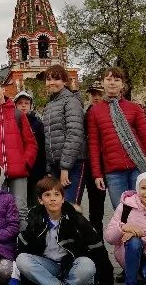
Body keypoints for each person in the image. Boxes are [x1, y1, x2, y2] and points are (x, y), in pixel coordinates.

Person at [87, 67, 146, 210]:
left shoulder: (134, 108)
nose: (112, 83)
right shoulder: (95, 111)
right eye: (108, 79)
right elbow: (94, 144)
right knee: (122, 213)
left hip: (138, 168)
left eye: (117, 80)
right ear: (103, 83)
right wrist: (97, 173)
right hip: (113, 171)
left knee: (143, 210)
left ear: (122, 84)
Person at [16, 177, 107, 285]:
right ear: (40, 200)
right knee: (22, 260)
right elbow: (22, 248)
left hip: (71, 266)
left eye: (56, 194)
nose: (52, 199)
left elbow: (98, 249)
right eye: (47, 195)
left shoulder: (76, 219)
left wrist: (105, 280)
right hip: (47, 266)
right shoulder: (33, 220)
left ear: (63, 199)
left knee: (88, 265)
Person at [0, 78, 37, 229]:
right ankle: (3, 247)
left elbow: (31, 142)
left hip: (18, 171)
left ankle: (22, 247)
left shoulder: (18, 114)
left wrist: (25, 162)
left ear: (3, 89)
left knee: (20, 210)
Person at [104, 172, 146, 285]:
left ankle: (140, 273)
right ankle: (131, 281)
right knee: (134, 241)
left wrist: (143, 234)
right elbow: (109, 238)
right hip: (127, 254)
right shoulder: (125, 207)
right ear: (137, 190)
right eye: (143, 188)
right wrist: (124, 228)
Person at [42, 65, 87, 205]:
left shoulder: (71, 101)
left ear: (65, 82)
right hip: (57, 164)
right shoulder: (50, 104)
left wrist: (65, 167)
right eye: (48, 79)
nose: (51, 82)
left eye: (56, 79)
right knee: (57, 206)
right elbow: (49, 138)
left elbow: (74, 133)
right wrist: (50, 168)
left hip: (72, 164)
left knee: (70, 206)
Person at [82, 81, 108, 238]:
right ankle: (96, 240)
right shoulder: (88, 112)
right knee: (95, 209)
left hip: (109, 163)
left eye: (99, 94)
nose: (96, 97)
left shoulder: (109, 110)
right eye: (93, 94)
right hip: (93, 164)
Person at [13, 91, 46, 209]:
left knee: (36, 204)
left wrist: (44, 170)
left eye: (26, 103)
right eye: (20, 103)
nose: (23, 106)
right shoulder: (12, 122)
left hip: (36, 171)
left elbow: (42, 148)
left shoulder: (37, 124)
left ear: (31, 106)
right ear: (15, 105)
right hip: (18, 170)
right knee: (20, 204)